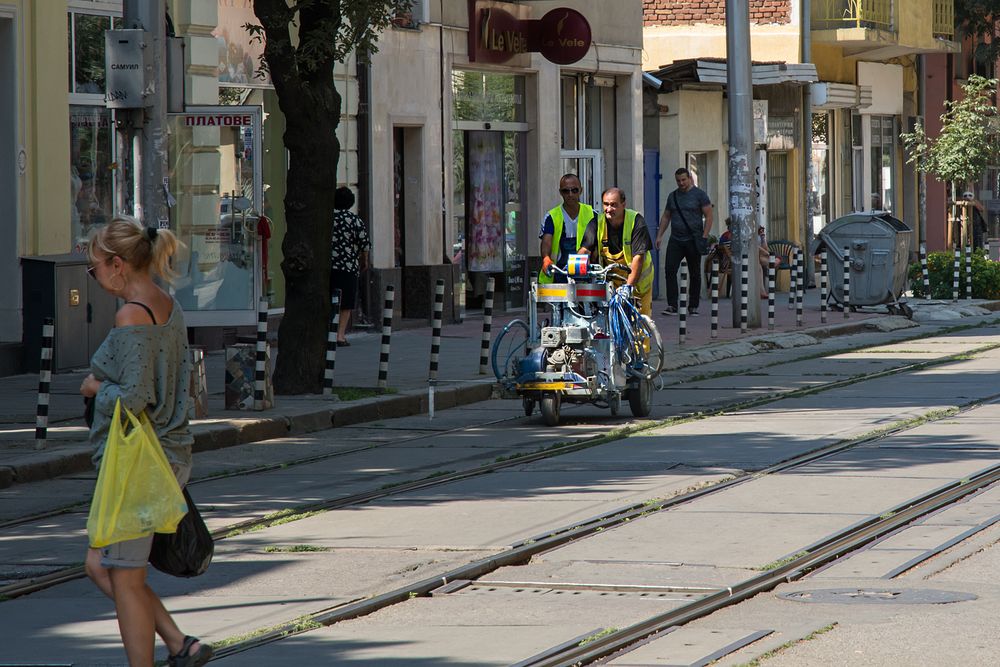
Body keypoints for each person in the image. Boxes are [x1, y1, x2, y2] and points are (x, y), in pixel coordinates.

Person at [80, 216, 212, 667]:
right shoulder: (167, 304)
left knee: (123, 575)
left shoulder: (132, 313)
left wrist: (97, 389)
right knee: (103, 566)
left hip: (141, 461)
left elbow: (135, 395)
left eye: (94, 268)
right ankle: (179, 643)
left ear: (118, 265)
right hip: (167, 454)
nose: (94, 278)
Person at [578, 187, 654, 315]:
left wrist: (628, 287)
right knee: (609, 323)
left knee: (639, 327)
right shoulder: (597, 223)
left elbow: (638, 258)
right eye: (606, 204)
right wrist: (575, 267)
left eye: (613, 205)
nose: (608, 209)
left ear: (623, 204)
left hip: (638, 284)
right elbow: (585, 250)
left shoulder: (636, 221)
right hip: (611, 285)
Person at [655, 168, 713, 315]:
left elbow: (709, 215)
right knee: (669, 270)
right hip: (676, 239)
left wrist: (704, 236)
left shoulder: (699, 195)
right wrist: (660, 235)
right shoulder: (673, 196)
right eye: (678, 181)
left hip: (693, 239)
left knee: (694, 273)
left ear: (689, 179)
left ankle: (693, 306)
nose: (681, 183)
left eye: (683, 180)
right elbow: (666, 216)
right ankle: (672, 305)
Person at [331, 187, 371, 345]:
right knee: (346, 302)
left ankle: (329, 332)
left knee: (330, 300)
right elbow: (364, 245)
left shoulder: (328, 218)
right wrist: (364, 261)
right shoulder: (354, 220)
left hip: (329, 267)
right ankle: (340, 335)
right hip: (348, 268)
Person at [539, 173, 595, 283]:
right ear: (560, 192)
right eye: (566, 191)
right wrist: (546, 258)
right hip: (558, 272)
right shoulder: (551, 216)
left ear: (581, 190)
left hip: (585, 272)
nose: (570, 194)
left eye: (574, 190)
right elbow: (546, 241)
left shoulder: (592, 214)